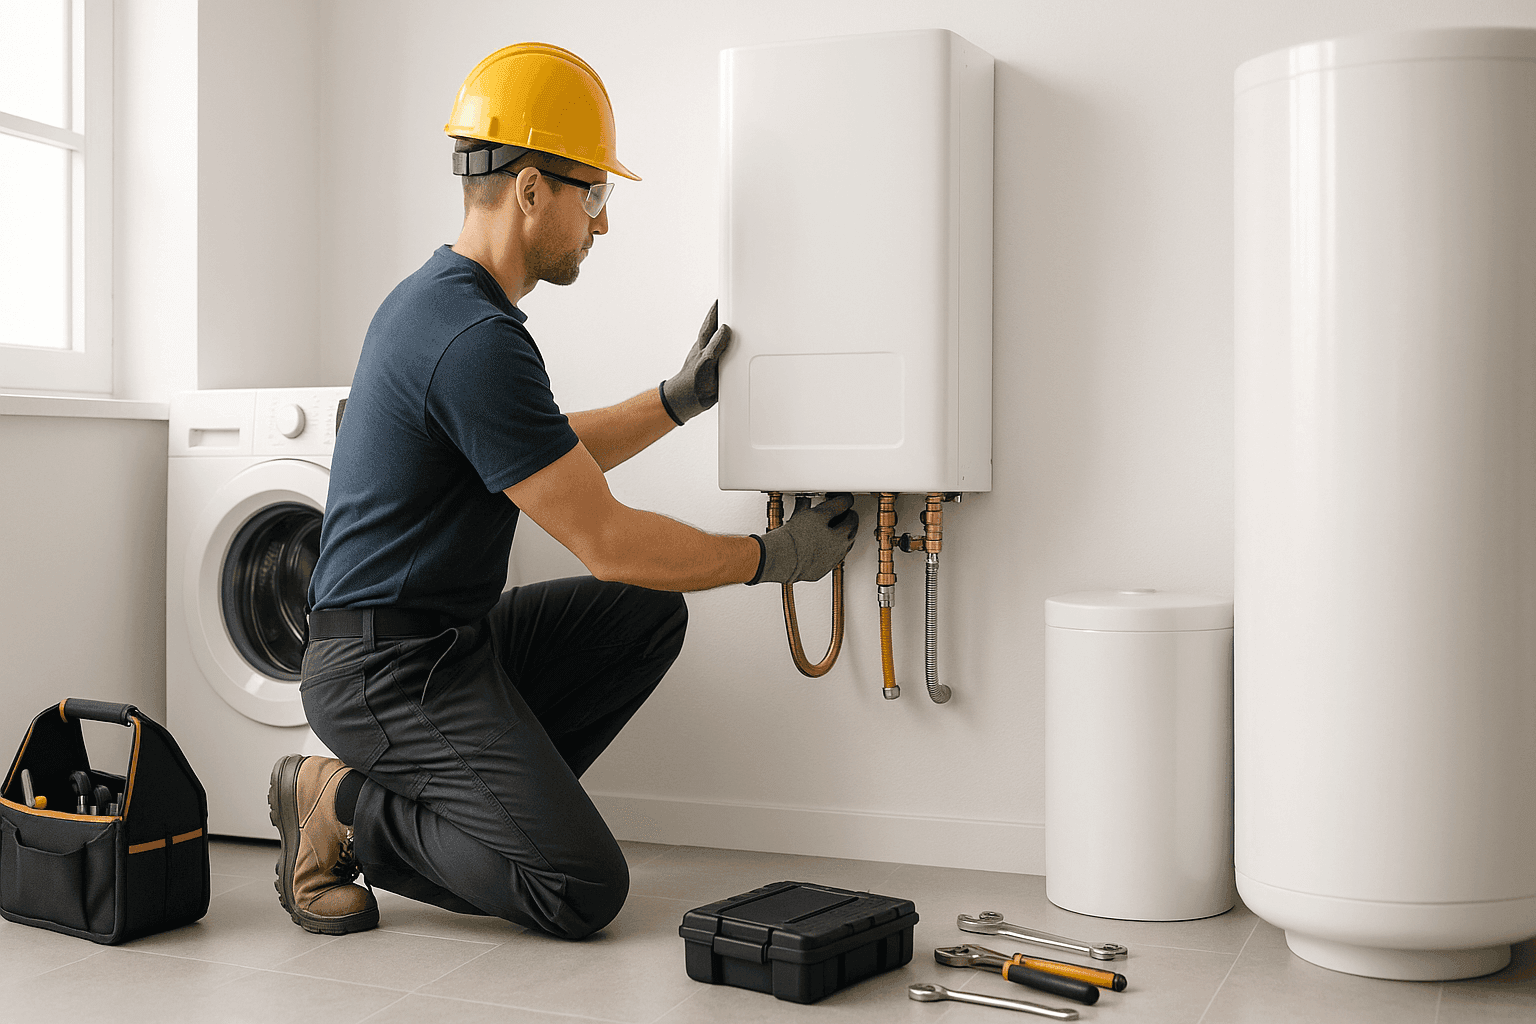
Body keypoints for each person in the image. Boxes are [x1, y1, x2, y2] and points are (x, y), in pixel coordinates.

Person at [266, 42, 859, 940]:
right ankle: (341, 802)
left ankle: (495, 816)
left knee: (645, 616)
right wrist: (775, 559)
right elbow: (607, 540)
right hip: (383, 672)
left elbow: (548, 455)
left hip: (444, 644)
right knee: (578, 889)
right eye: (597, 194)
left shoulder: (453, 309)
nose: (604, 223)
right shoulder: (470, 335)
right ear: (532, 188)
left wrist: (675, 401)